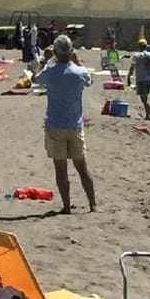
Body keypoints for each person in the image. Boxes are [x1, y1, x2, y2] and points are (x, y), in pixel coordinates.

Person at [30, 34, 97, 213]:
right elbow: (90, 80)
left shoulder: (50, 72)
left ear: (56, 52)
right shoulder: (79, 72)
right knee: (82, 167)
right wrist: (77, 60)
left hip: (55, 124)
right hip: (74, 125)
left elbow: (35, 79)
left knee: (61, 169)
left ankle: (66, 206)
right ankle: (93, 204)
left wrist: (44, 59)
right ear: (71, 51)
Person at [125, 37, 150, 122]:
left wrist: (129, 77)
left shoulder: (136, 56)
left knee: (143, 100)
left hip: (141, 79)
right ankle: (147, 115)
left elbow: (132, 67)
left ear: (139, 46)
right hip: (149, 79)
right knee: (145, 98)